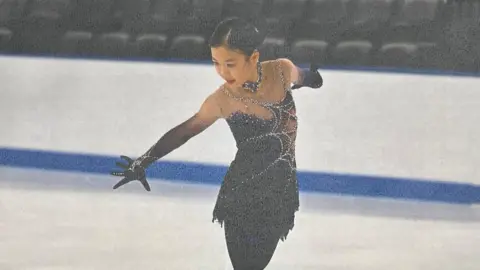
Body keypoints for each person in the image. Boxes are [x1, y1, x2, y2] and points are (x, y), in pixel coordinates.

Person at [110, 17, 323, 270]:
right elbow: (185, 131)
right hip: (241, 193)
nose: (222, 72)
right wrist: (143, 161)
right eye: (216, 63)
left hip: (280, 192)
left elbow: (304, 77)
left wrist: (314, 78)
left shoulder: (280, 70)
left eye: (230, 64)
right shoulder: (223, 99)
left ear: (253, 58)